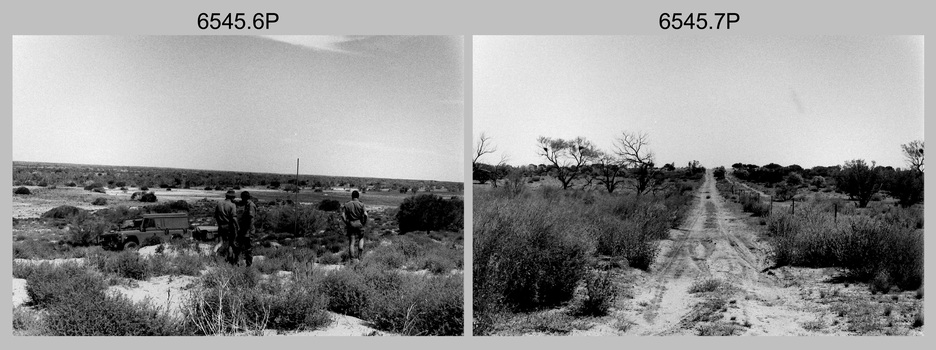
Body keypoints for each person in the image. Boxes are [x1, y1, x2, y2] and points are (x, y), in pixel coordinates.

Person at [341, 190, 368, 261]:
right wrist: (364, 222)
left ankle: (352, 259)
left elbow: (342, 215)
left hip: (351, 224)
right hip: (359, 224)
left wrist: (346, 222)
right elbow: (365, 214)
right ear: (358, 196)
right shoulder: (361, 204)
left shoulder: (347, 204)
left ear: (352, 196)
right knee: (361, 238)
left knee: (352, 242)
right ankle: (360, 257)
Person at [232, 191, 258, 266]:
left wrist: (249, 231)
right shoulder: (246, 204)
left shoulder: (251, 206)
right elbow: (239, 203)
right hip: (243, 230)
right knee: (238, 246)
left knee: (248, 248)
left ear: (244, 198)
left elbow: (251, 219)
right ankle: (236, 262)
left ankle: (249, 265)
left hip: (248, 231)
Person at [214, 190, 239, 264]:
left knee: (220, 242)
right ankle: (230, 260)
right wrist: (237, 227)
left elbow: (215, 216)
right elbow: (234, 217)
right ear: (233, 197)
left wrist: (219, 224)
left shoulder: (219, 203)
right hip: (229, 227)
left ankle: (214, 252)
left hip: (221, 226)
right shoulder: (232, 205)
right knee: (231, 243)